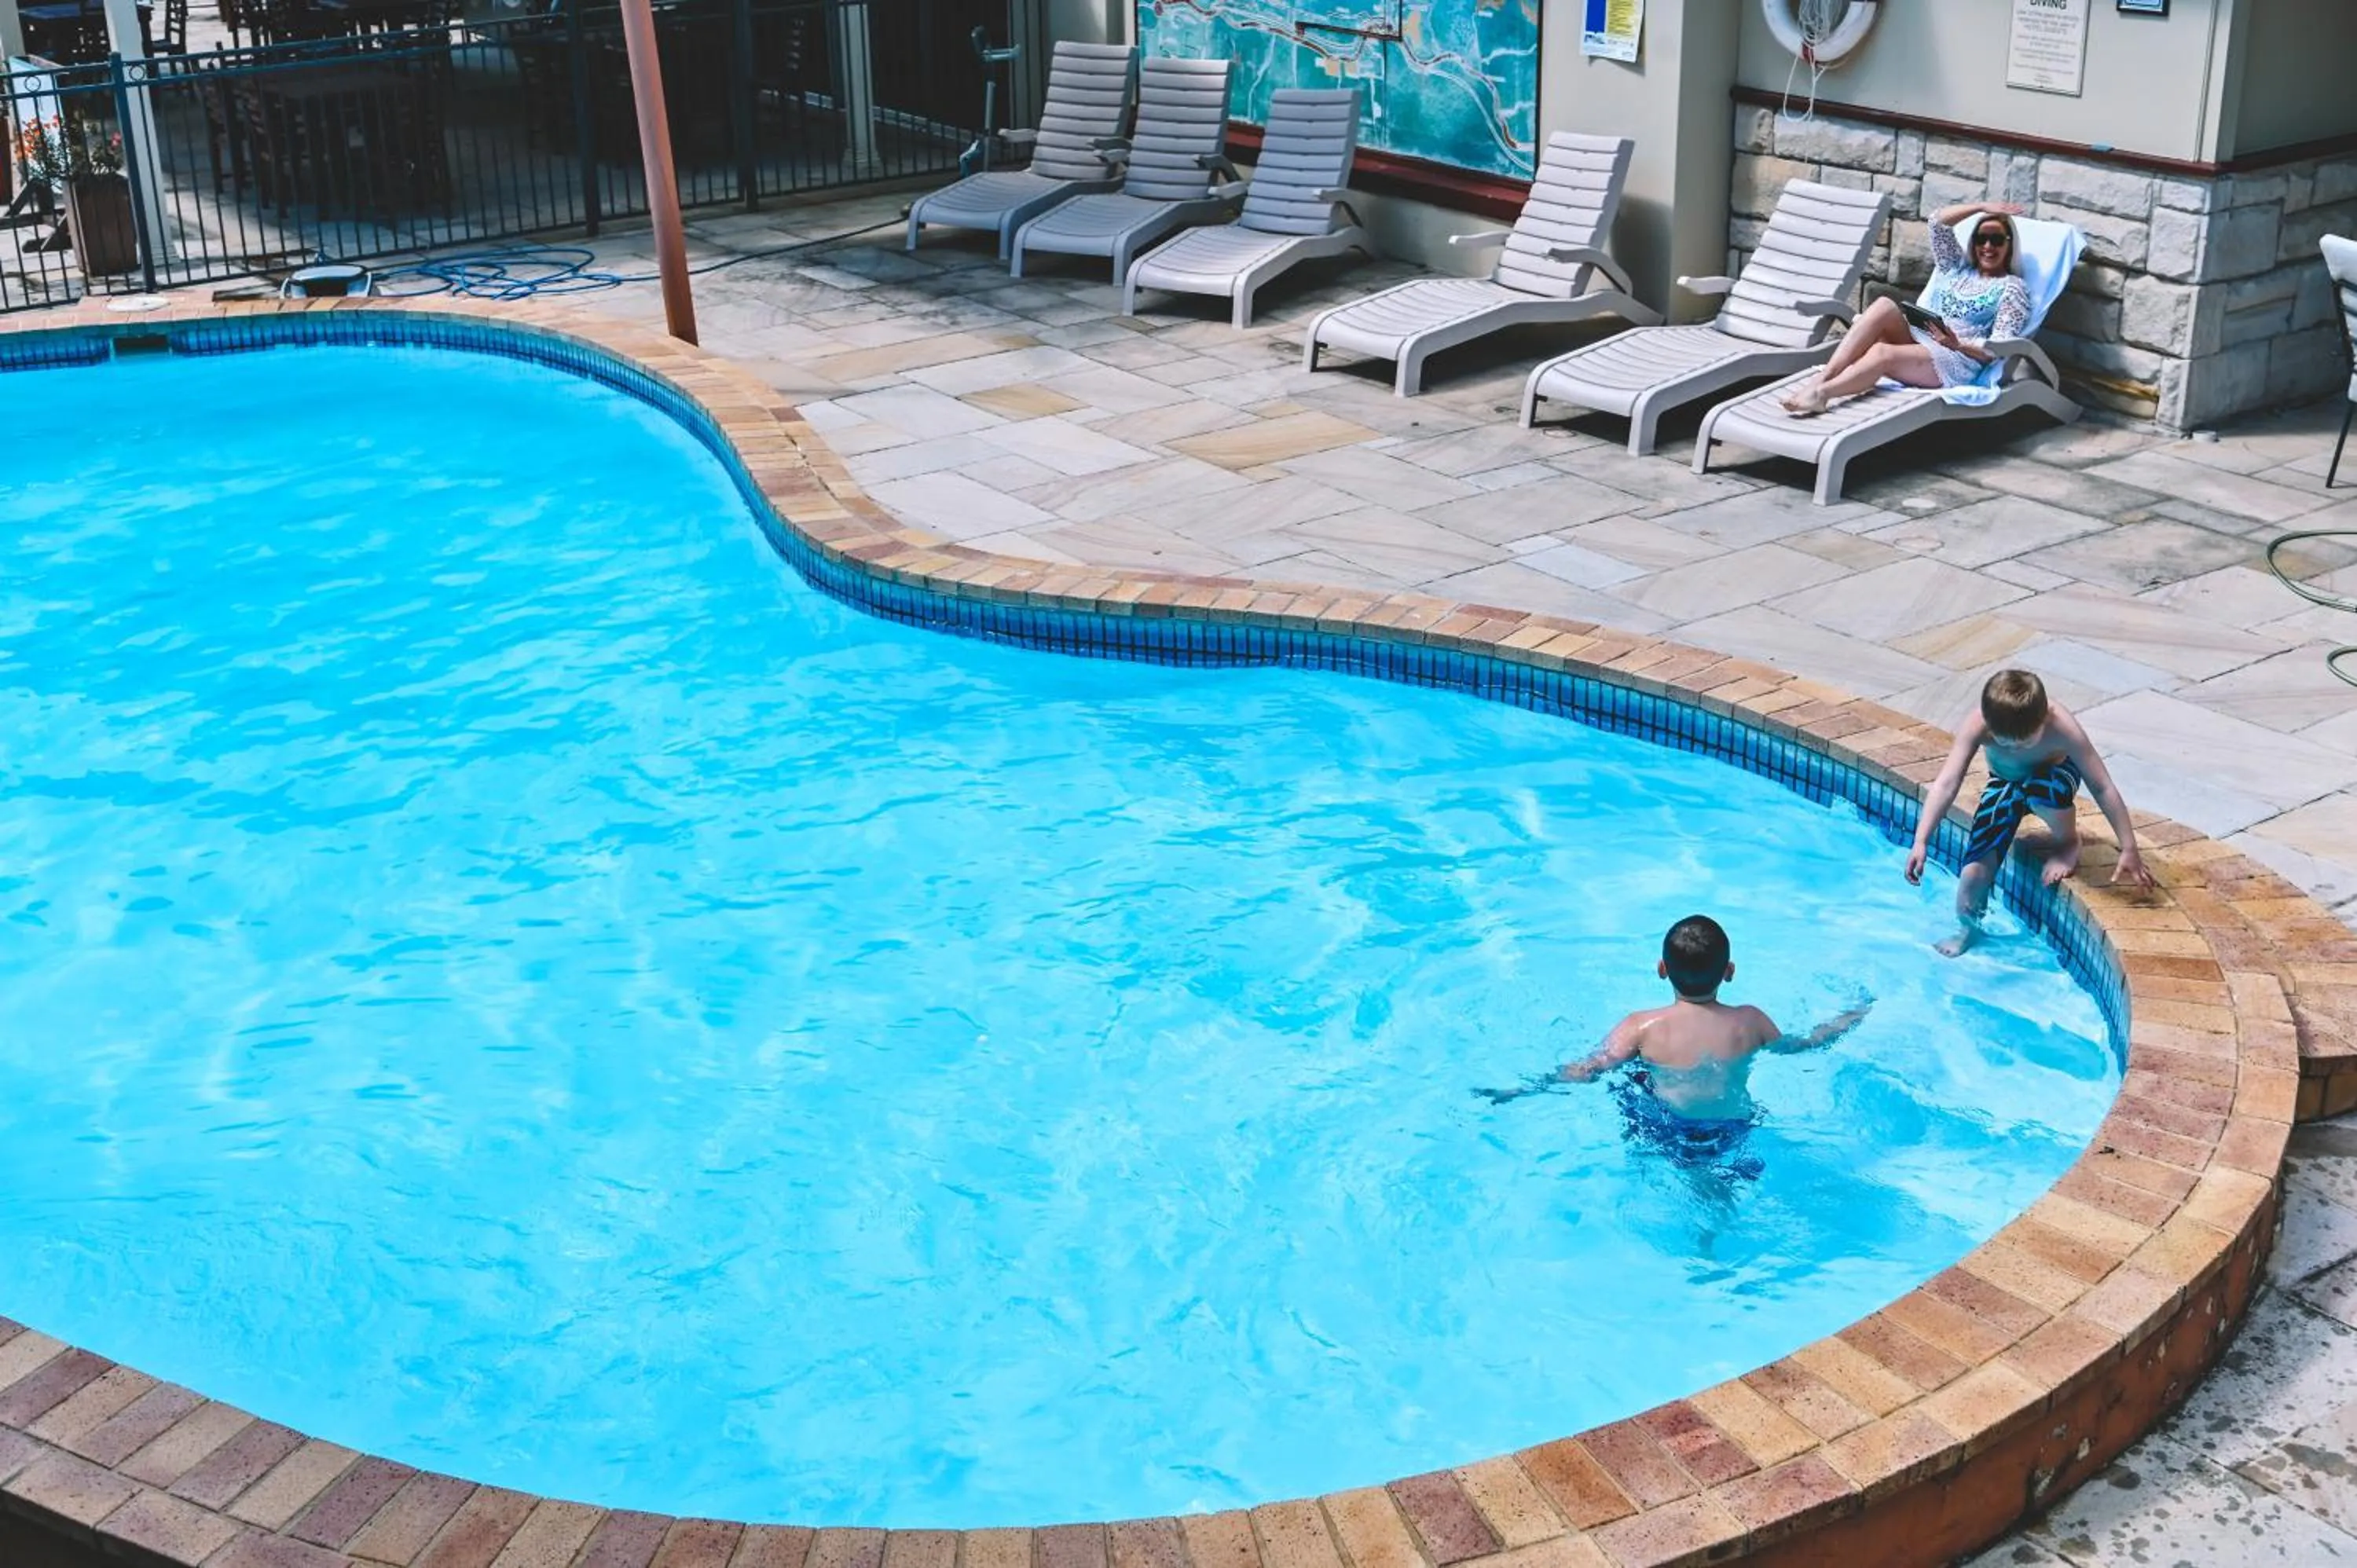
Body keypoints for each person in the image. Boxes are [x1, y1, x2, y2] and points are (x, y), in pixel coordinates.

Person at [1477, 916, 1869, 1177]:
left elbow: (1588, 1069)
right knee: (1717, 1189)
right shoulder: (1750, 1022)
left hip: (1667, 1131)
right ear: (1729, 973)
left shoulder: (1641, 1026)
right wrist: (1852, 1015)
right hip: (1732, 1129)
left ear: (1661, 969)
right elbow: (1802, 1045)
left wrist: (1522, 1088)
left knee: (1631, 1083)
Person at [1906, 668, 2154, 956]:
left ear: (2043, 717)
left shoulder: (2061, 725)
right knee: (1972, 875)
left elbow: (2102, 786)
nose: (2013, 748)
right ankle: (1968, 930)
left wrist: (2128, 846)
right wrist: (1921, 840)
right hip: (2006, 784)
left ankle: (2067, 842)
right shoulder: (1978, 724)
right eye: (2003, 742)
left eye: (2024, 743)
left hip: (2054, 778)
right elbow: (1948, 783)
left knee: (2041, 791)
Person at [1777, 203, 2035, 417]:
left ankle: (1823, 395)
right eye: (1982, 238)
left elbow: (2000, 347)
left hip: (1955, 359)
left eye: (1997, 239)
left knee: (1881, 352)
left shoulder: (2012, 289)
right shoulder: (1956, 268)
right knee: (1883, 306)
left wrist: (1957, 344)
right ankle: (1820, 381)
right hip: (1926, 337)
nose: (1988, 246)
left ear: (2009, 245)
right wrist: (1981, 207)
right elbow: (1937, 222)